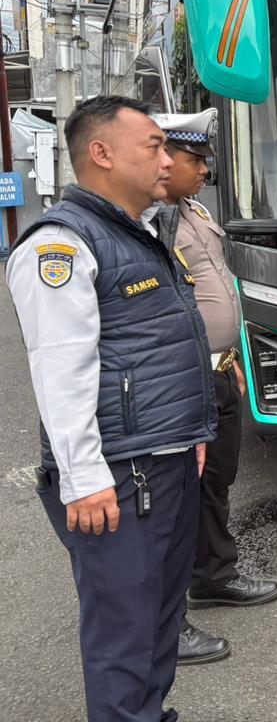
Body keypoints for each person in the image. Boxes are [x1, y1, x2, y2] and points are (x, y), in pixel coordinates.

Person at [7, 95, 217, 721]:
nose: (167, 158)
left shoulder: (140, 232)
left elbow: (156, 352)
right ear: (101, 153)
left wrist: (189, 435)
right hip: (119, 477)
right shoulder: (62, 246)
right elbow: (60, 370)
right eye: (153, 144)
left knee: (160, 618)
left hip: (165, 458)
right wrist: (84, 479)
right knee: (124, 633)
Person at [154, 110, 277, 667]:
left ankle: (212, 576)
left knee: (217, 481)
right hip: (182, 380)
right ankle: (164, 623)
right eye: (195, 160)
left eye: (205, 160)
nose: (205, 169)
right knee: (172, 500)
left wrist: (233, 360)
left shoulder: (195, 212)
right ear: (163, 161)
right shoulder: (147, 222)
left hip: (219, 369)